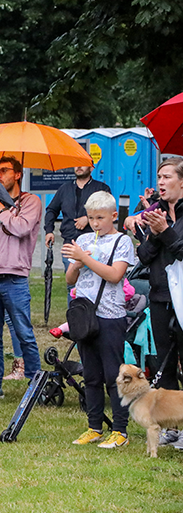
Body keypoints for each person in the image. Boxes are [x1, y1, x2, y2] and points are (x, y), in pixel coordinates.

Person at [63, 191, 134, 448]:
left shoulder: (122, 242)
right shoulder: (83, 239)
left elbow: (115, 275)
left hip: (110, 315)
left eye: (100, 218)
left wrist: (85, 258)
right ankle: (94, 426)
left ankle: (120, 430)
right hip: (85, 315)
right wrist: (76, 263)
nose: (95, 223)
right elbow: (70, 280)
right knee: (91, 374)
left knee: (113, 375)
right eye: (91, 218)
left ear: (114, 216)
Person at [0, 155, 43, 399]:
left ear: (18, 174)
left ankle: (35, 382)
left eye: (3, 170)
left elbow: (21, 228)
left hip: (15, 279)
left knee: (24, 332)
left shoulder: (31, 201)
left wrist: (2, 210)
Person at [137, 157, 183, 391]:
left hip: (182, 298)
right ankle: (173, 424)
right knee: (163, 363)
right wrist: (155, 233)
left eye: (167, 177)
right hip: (160, 297)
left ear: (182, 182)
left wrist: (165, 231)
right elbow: (144, 256)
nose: (161, 182)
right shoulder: (156, 214)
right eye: (159, 177)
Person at [44, 166, 111, 256]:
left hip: (95, 242)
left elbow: (108, 211)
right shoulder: (65, 188)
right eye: (77, 164)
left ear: (91, 168)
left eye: (83, 164)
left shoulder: (101, 188)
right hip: (70, 243)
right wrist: (49, 231)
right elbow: (51, 210)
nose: (79, 167)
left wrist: (89, 218)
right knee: (70, 269)